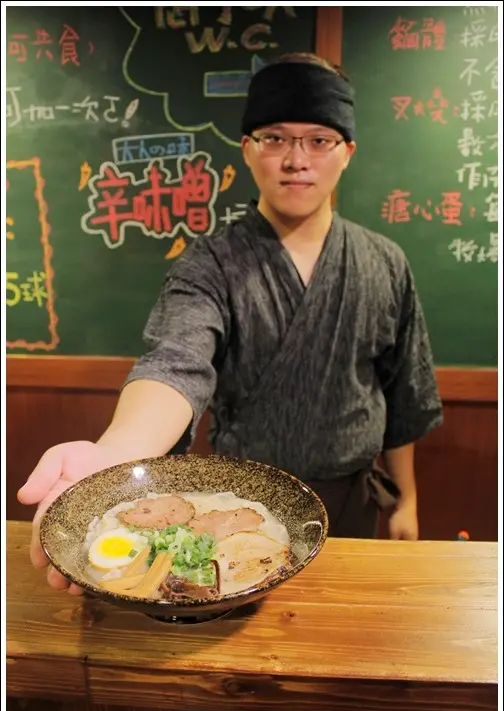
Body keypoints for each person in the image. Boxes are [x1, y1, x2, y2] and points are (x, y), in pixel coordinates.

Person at [18, 53, 443, 595]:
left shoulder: (385, 262)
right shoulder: (210, 262)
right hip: (242, 511)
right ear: (247, 149)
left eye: (319, 140)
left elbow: (401, 394)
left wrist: (407, 500)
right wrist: (113, 454)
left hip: (353, 503)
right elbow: (176, 362)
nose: (296, 159)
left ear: (347, 153)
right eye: (275, 138)